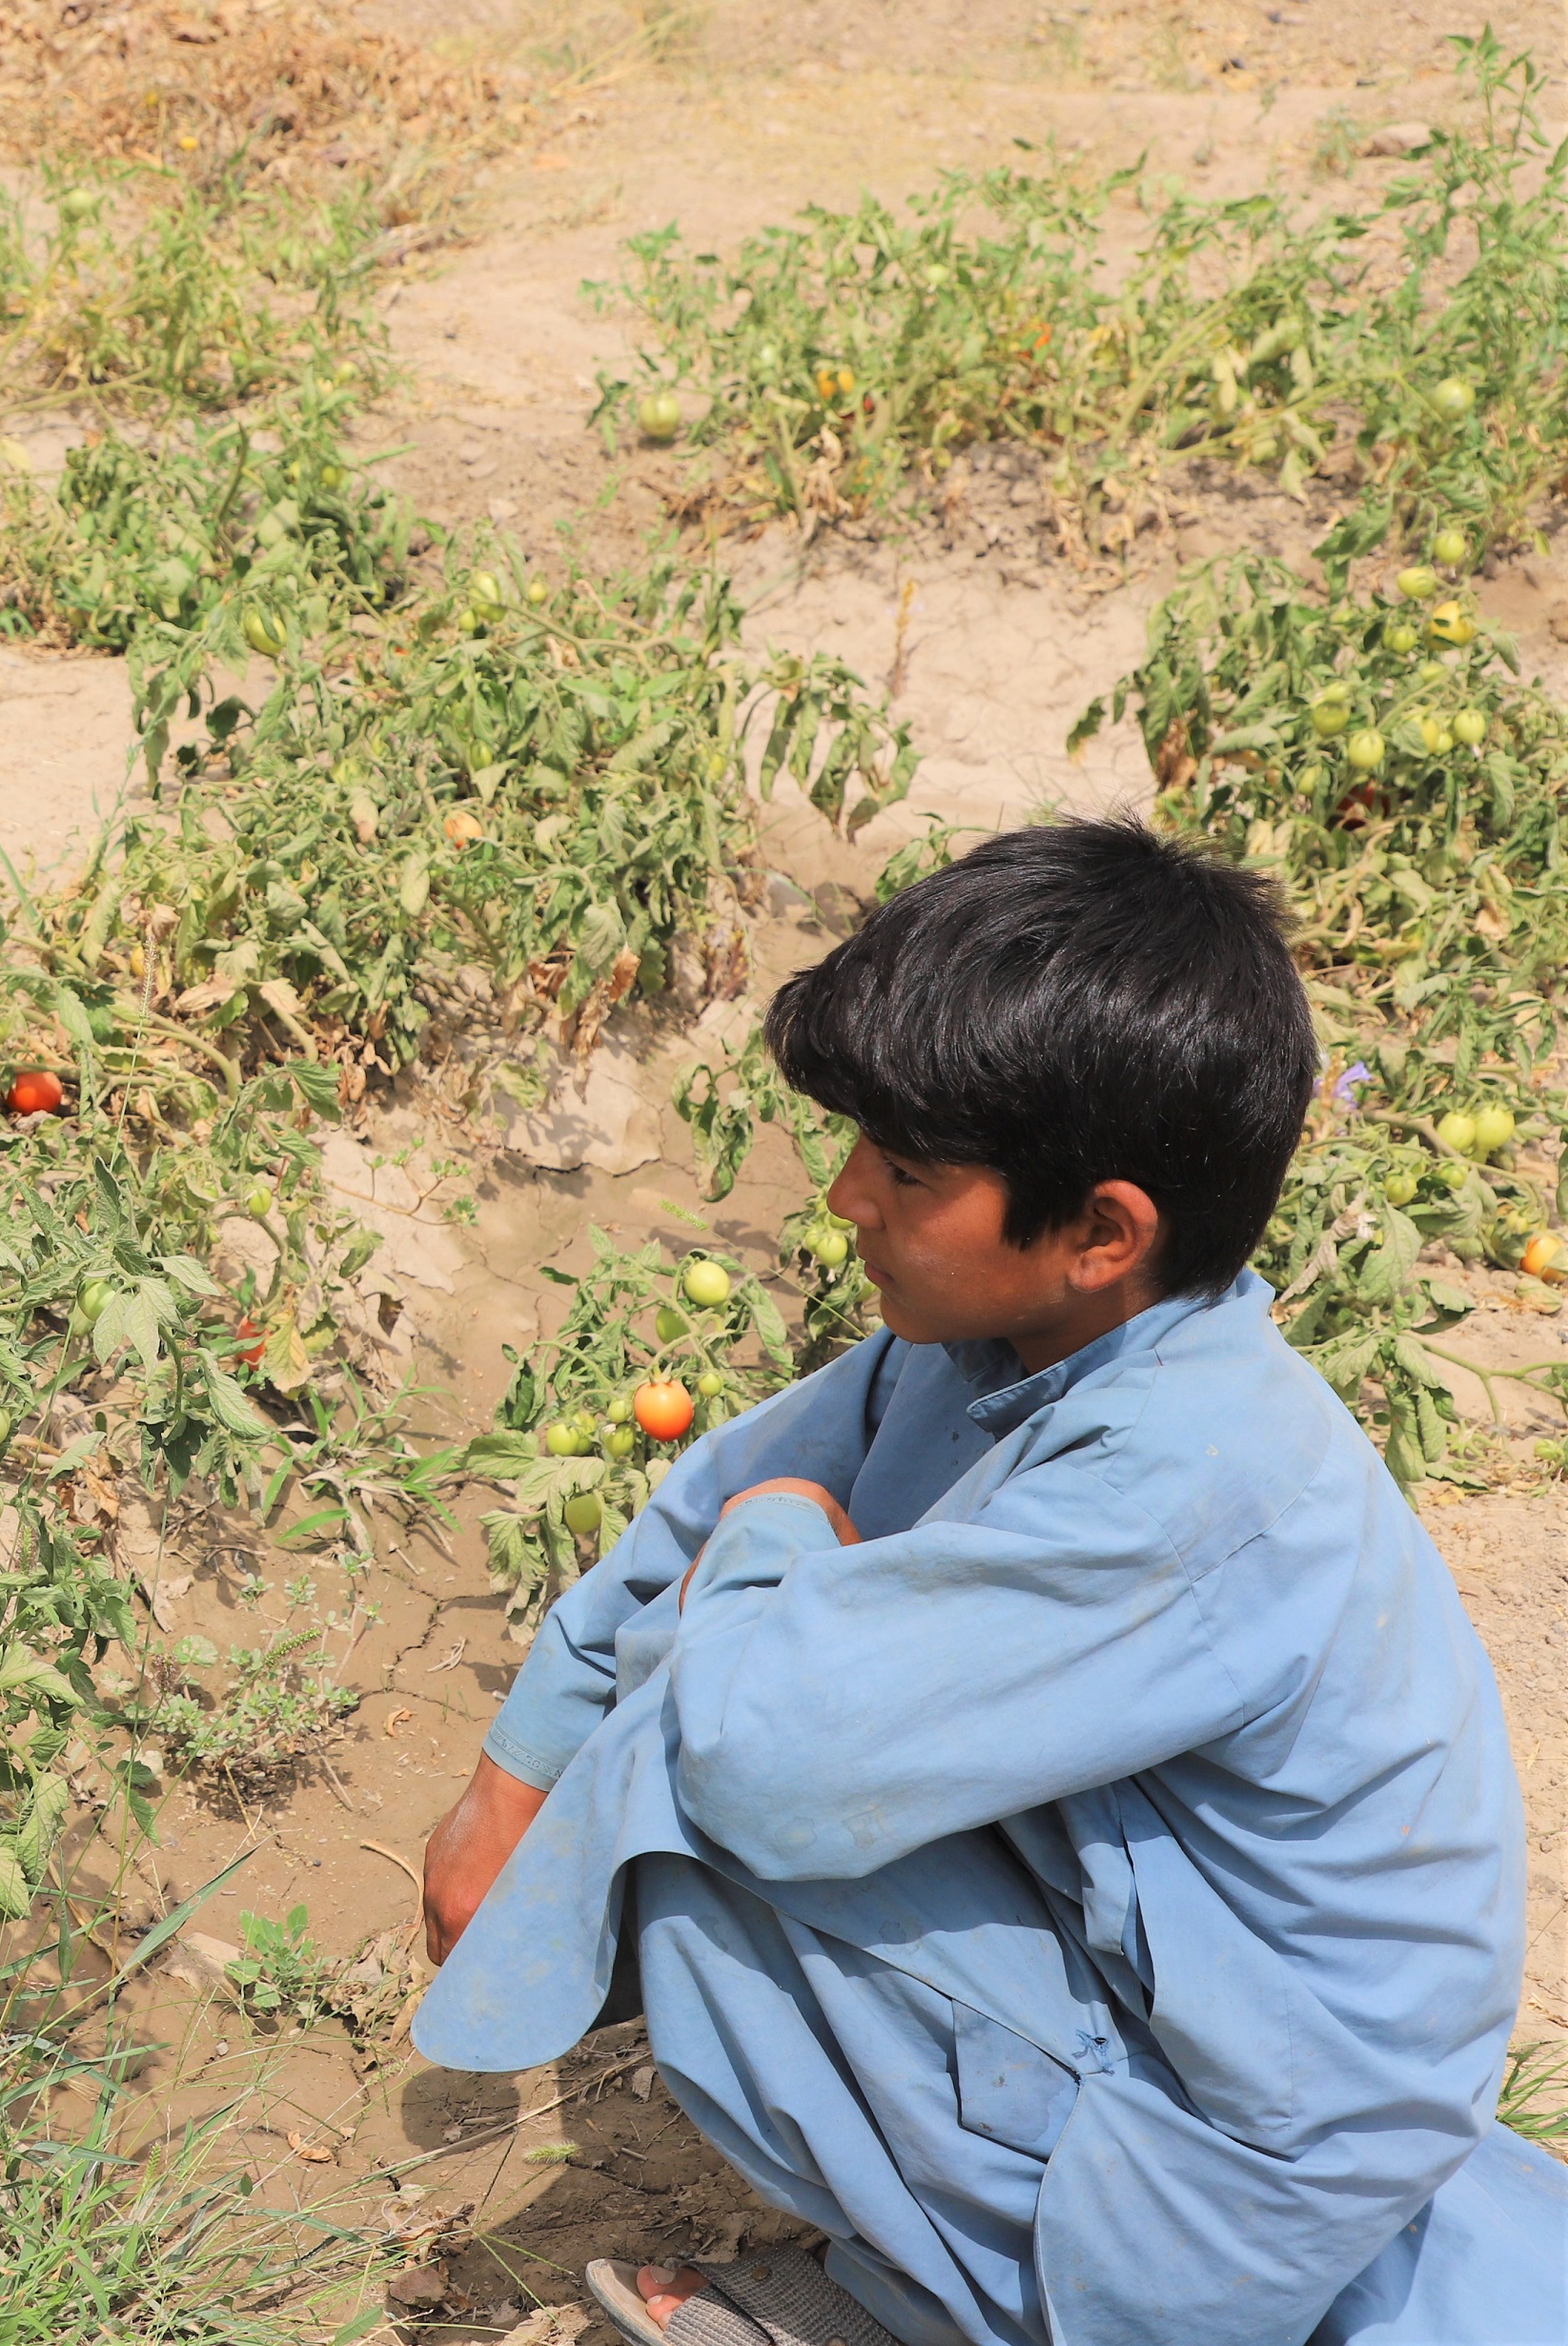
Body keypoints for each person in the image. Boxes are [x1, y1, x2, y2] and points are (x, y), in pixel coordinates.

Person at [410, 821, 1564, 2346]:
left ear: (1101, 1232)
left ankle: (958, 2306)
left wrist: (771, 1554)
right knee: (674, 1716)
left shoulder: (1196, 1480)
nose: (842, 1198)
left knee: (679, 1817)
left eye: (902, 1168)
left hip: (1234, 2160)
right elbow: (707, 1501)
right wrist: (510, 1781)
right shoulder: (992, 1346)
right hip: (1219, 2043)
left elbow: (760, 1751)